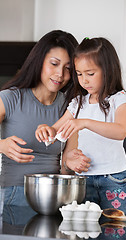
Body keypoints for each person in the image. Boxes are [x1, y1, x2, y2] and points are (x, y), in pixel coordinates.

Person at [35, 37, 126, 213]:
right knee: (85, 228)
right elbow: (56, 129)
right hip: (83, 179)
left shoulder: (119, 99)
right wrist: (46, 129)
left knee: (112, 228)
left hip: (112, 178)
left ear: (108, 71)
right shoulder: (78, 102)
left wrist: (85, 123)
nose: (84, 81)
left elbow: (121, 131)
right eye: (79, 74)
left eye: (90, 74)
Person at [0, 30, 90, 207]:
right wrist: (1, 145)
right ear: (39, 61)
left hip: (54, 199)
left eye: (68, 69)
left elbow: (66, 164)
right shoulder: (10, 98)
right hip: (14, 196)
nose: (60, 74)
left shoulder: (70, 107)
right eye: (54, 64)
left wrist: (71, 162)